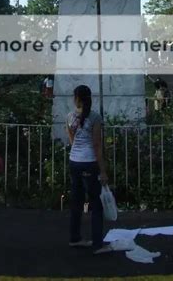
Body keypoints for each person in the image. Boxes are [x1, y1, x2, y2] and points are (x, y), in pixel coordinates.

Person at [66, 85, 110, 254]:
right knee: (96, 204)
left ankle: (75, 237)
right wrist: (103, 170)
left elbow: (72, 140)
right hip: (89, 162)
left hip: (74, 161)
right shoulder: (95, 117)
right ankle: (98, 243)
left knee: (76, 202)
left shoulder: (70, 116)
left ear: (77, 99)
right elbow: (97, 145)